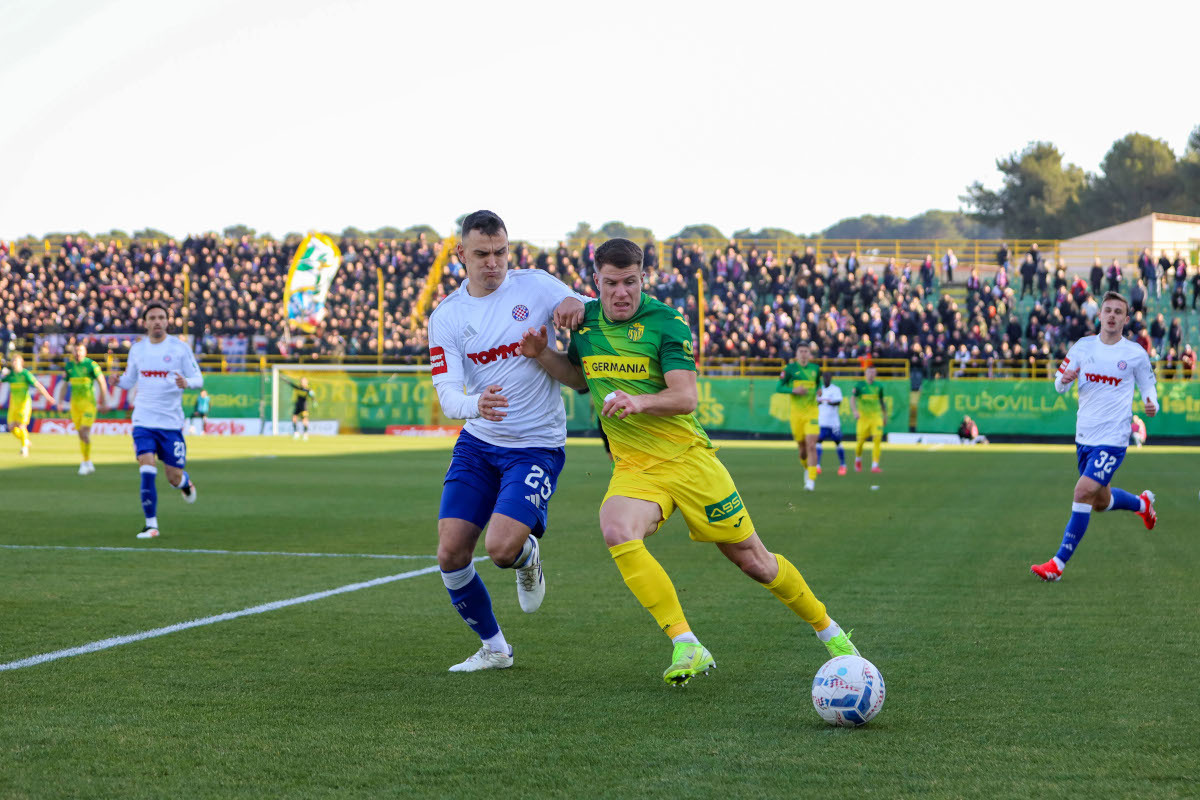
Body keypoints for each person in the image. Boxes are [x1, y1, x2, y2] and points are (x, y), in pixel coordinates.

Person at [520, 238, 862, 686]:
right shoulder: (585, 323)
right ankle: (686, 643)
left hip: (689, 461)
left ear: (644, 278)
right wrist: (542, 354)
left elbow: (686, 397)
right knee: (616, 527)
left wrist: (640, 403)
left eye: (630, 282)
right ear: (596, 282)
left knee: (754, 561)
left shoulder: (666, 322)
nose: (621, 293)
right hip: (636, 467)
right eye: (610, 283)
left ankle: (830, 631)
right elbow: (580, 378)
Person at [427, 210, 586, 673]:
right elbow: (448, 393)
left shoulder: (536, 285)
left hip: (536, 445)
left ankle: (526, 554)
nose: (493, 263)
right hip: (478, 442)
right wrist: (476, 405)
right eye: (481, 254)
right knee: (450, 552)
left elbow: (577, 301)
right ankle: (495, 648)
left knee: (499, 550)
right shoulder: (447, 318)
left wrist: (575, 301)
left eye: (500, 253)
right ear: (461, 255)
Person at [1030, 292, 1158, 582]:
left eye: (1118, 312)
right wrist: (1063, 381)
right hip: (1085, 437)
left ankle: (1058, 564)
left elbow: (1149, 388)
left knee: (1082, 492)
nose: (1111, 316)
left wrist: (1152, 405)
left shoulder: (1135, 353)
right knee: (1100, 501)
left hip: (1113, 439)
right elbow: (1058, 385)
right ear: (1099, 315)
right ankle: (1142, 505)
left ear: (1126, 319)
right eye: (1107, 310)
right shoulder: (1082, 347)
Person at [115, 303, 202, 539]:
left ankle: (185, 483)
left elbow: (198, 378)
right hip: (143, 420)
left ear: (167, 321)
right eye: (152, 317)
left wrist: (188, 383)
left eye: (161, 317)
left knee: (173, 477)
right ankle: (151, 525)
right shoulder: (137, 350)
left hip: (171, 424)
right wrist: (117, 381)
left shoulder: (179, 348)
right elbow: (129, 379)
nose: (157, 321)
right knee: (146, 467)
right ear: (145, 322)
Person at [776, 342, 821, 491]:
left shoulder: (816, 369)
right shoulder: (790, 369)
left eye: (805, 351)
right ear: (796, 354)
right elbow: (779, 387)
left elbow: (818, 385)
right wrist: (793, 390)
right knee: (802, 449)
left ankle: (811, 481)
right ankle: (806, 467)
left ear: (809, 354)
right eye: (800, 351)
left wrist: (819, 391)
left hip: (812, 412)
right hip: (796, 415)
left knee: (811, 445)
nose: (803, 354)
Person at [64, 342, 109, 473]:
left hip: (89, 404)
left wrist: (104, 401)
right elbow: (64, 383)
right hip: (75, 405)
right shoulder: (69, 366)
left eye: (80, 351)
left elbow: (101, 381)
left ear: (85, 352)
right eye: (76, 351)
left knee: (84, 431)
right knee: (81, 434)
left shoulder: (91, 365)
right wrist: (60, 401)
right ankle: (88, 461)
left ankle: (84, 463)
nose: (77, 353)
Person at [1, 354, 57, 457]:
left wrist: (48, 397)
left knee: (22, 426)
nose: (14, 363)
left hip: (24, 404)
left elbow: (38, 385)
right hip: (13, 405)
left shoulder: (25, 374)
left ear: (21, 363)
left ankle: (24, 448)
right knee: (12, 428)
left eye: (16, 361)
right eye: (13, 361)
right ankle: (25, 440)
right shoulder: (11, 375)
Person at [850, 365, 887, 473]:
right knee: (860, 442)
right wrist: (855, 411)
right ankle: (858, 459)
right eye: (869, 372)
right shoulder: (859, 385)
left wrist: (885, 415)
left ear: (876, 374)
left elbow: (881, 401)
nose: (871, 375)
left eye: (873, 372)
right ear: (865, 373)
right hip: (863, 418)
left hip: (876, 417)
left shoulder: (879, 386)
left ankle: (875, 465)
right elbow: (852, 399)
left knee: (877, 439)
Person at [814, 373, 846, 476]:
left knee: (838, 442)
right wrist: (820, 402)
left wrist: (826, 402)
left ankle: (842, 465)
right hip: (822, 422)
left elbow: (838, 402)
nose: (826, 379)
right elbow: (815, 402)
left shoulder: (835, 389)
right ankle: (817, 466)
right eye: (824, 377)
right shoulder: (819, 390)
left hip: (834, 423)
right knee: (818, 442)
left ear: (831, 378)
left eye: (828, 377)